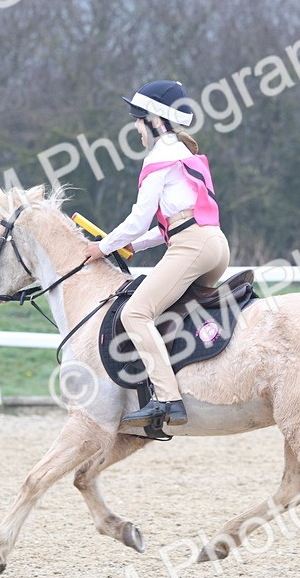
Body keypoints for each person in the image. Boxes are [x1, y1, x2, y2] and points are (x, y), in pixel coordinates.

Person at [82, 80, 229, 428]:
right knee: (165, 311)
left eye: (138, 119)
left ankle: (168, 399)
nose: (135, 126)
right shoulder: (182, 152)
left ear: (154, 120)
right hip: (213, 244)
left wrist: (101, 247)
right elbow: (170, 224)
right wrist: (134, 246)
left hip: (192, 246)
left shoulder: (159, 156)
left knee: (135, 314)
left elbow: (137, 220)